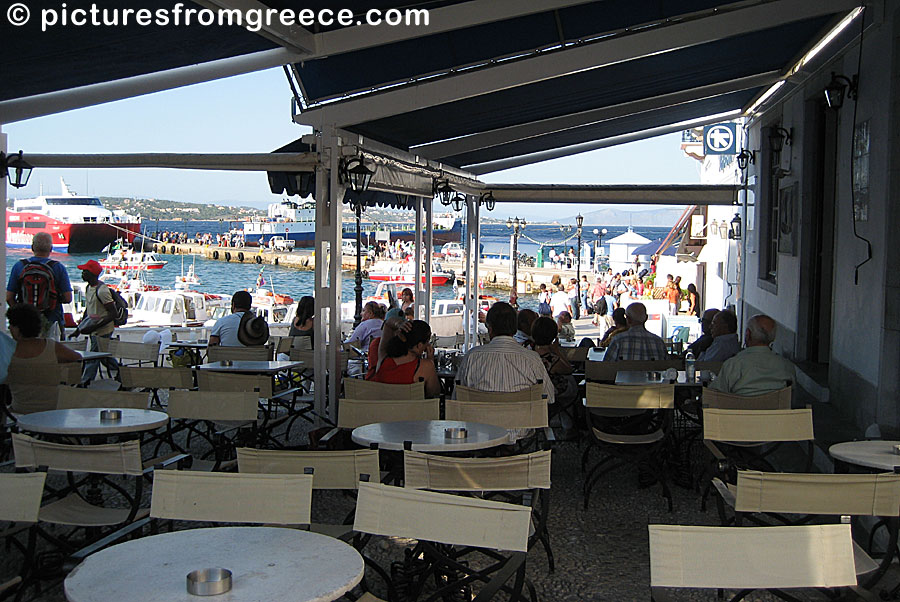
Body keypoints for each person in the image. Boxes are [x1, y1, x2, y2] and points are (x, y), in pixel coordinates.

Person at [454, 302, 554, 404]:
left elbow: (457, 398)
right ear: (515, 329)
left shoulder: (471, 358)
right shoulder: (532, 359)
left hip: (478, 418)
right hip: (521, 418)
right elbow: (550, 397)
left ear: (490, 329)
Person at [8, 303, 81, 413]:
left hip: (19, 411)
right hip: (53, 411)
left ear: (18, 329)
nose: (9, 328)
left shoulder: (8, 350)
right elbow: (77, 358)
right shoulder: (52, 347)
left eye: (11, 325)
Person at [6, 232, 73, 337]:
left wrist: (22, 312)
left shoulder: (19, 266)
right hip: (52, 320)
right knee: (51, 351)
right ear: (51, 248)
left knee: (28, 351)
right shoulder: (58, 267)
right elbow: (68, 298)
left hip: (26, 322)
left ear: (32, 247)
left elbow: (9, 297)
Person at [710, 314, 795, 396]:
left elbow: (714, 395)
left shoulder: (733, 364)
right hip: (777, 410)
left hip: (740, 410)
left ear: (748, 334)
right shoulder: (787, 366)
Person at [71, 260, 120, 384]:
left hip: (102, 330)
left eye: (85, 271)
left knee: (93, 356)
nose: (82, 274)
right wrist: (79, 329)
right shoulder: (88, 288)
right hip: (94, 329)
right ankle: (122, 373)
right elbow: (89, 309)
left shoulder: (102, 291)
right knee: (103, 357)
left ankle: (86, 380)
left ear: (92, 274)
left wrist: (94, 327)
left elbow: (113, 314)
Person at [371, 319, 441, 397]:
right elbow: (434, 393)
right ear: (419, 345)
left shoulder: (383, 358)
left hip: (379, 408)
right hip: (410, 409)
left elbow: (387, 324)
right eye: (427, 341)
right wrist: (430, 360)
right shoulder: (426, 366)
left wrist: (398, 323)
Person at [531, 317, 577, 435]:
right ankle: (569, 426)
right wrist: (557, 350)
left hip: (531, 390)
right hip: (549, 393)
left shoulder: (528, 351)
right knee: (570, 383)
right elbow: (569, 369)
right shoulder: (552, 359)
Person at [603, 302, 667, 361]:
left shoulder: (618, 340)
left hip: (624, 373)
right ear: (646, 318)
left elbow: (606, 365)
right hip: (652, 373)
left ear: (628, 319)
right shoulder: (659, 342)